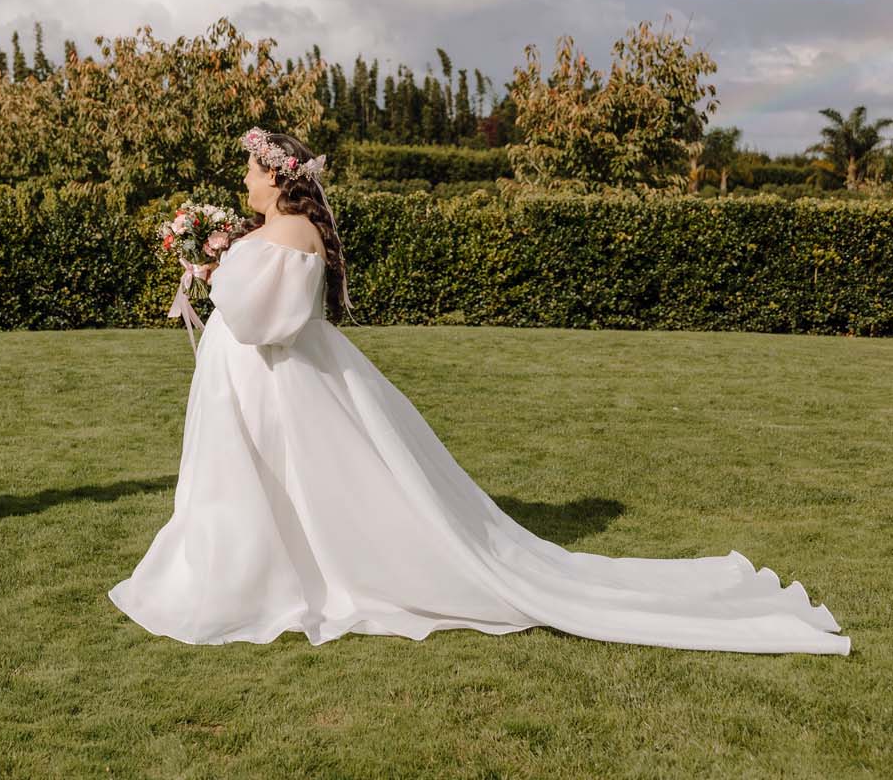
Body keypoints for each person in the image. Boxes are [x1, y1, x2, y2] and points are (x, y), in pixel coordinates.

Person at [109, 127, 850, 654]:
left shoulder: (285, 233)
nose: (243, 180)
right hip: (266, 380)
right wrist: (221, 260)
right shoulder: (287, 230)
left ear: (277, 177)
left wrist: (217, 269)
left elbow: (260, 316)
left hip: (275, 383)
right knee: (280, 488)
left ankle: (260, 575)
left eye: (250, 170)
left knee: (296, 486)